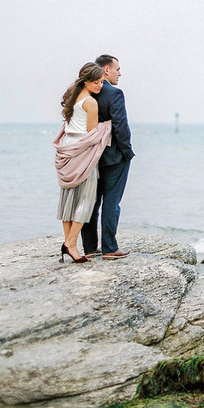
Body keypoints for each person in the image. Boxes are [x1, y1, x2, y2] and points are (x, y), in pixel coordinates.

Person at [53, 62, 112, 263]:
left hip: (68, 145)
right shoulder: (91, 103)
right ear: (85, 82)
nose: (99, 86)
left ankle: (69, 244)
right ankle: (70, 244)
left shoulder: (72, 96)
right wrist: (108, 126)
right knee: (86, 198)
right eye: (95, 82)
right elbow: (92, 134)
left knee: (69, 197)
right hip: (82, 149)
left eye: (102, 82)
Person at [81, 54, 134, 260]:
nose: (120, 73)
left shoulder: (86, 93)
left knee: (92, 202)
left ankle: (89, 247)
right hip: (113, 156)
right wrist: (127, 152)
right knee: (112, 201)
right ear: (106, 70)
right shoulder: (114, 94)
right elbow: (121, 126)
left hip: (90, 157)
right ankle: (110, 247)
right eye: (117, 69)